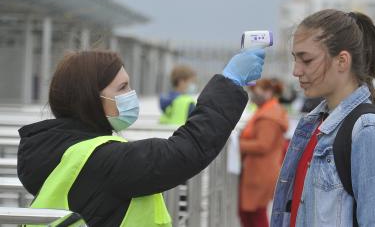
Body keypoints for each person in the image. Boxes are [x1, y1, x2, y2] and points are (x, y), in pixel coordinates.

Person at [17, 48, 266, 227]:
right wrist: (229, 83)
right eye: (123, 88)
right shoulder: (103, 160)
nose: (131, 95)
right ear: (91, 98)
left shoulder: (53, 150)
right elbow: (185, 151)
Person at [270, 9, 375, 227]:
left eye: (307, 60)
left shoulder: (368, 131)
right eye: (295, 59)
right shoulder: (315, 124)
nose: (296, 71)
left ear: (342, 61)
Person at [239, 78, 289, 227]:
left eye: (255, 91)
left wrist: (237, 145)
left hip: (260, 173)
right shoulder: (267, 111)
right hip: (259, 171)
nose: (253, 94)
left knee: (256, 215)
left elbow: (263, 145)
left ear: (268, 92)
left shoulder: (269, 116)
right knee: (250, 213)